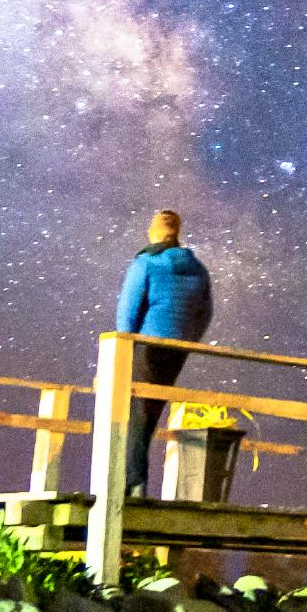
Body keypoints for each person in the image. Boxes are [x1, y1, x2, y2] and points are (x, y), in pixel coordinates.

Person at [111, 208, 216, 498]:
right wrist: (188, 341)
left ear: (154, 231)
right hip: (176, 350)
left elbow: (128, 311)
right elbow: (205, 313)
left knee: (132, 414)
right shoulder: (198, 269)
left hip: (146, 346)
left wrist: (123, 347)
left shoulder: (146, 263)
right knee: (148, 415)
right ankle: (134, 485)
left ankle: (131, 487)